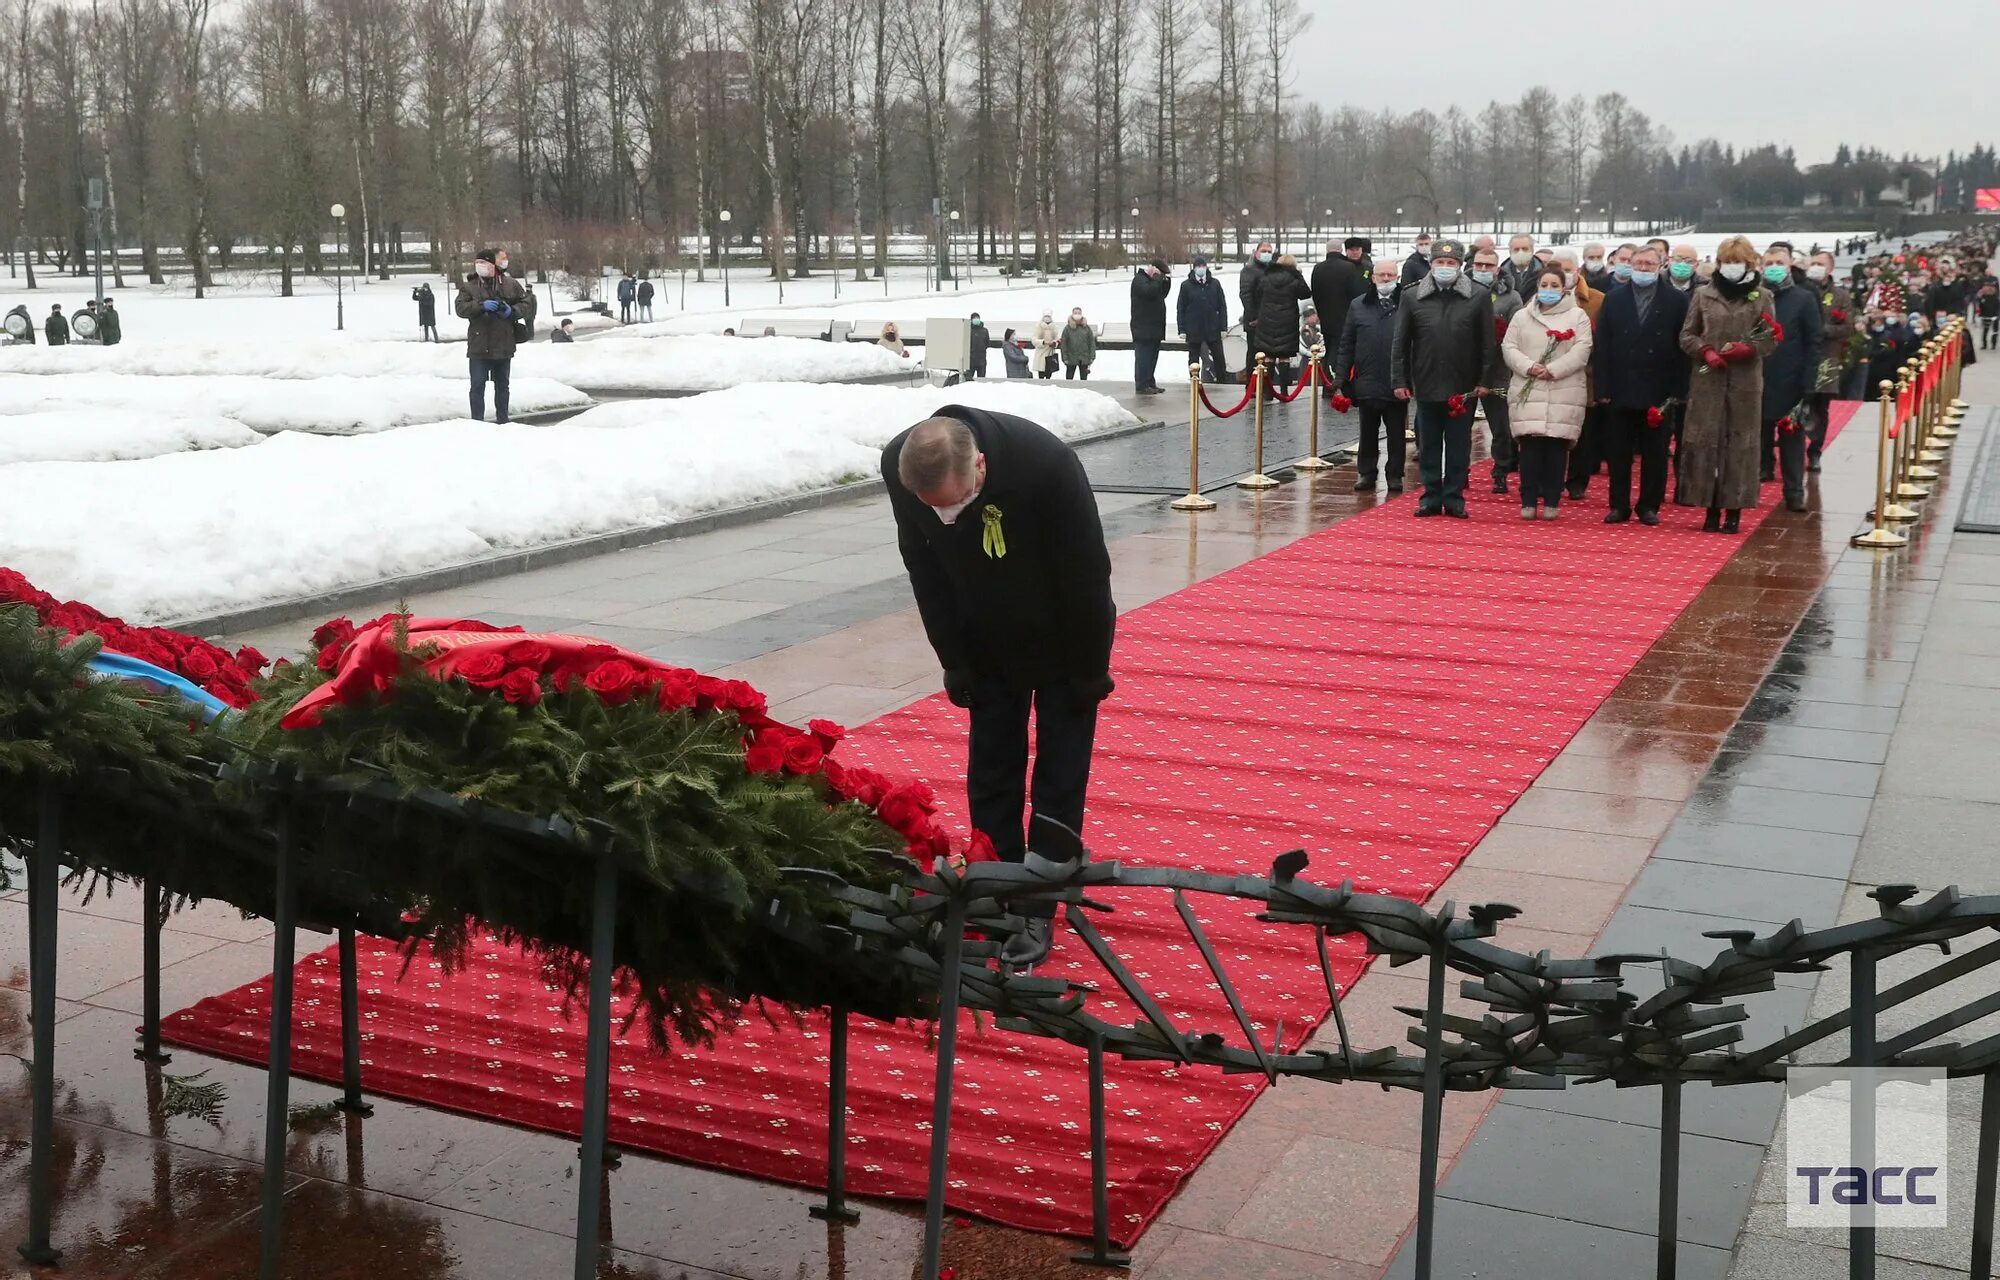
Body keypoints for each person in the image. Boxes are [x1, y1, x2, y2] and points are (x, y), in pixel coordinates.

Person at [881, 409, 1115, 973]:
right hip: (985, 632)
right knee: (991, 759)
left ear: (980, 466)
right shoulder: (901, 465)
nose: (946, 518)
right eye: (934, 508)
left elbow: (1087, 572)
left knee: (1060, 764)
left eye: (955, 504)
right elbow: (923, 566)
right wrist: (955, 658)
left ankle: (1041, 891)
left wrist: (1089, 668)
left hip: (1063, 627)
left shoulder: (1047, 466)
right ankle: (993, 876)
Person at [1678, 234, 1779, 533]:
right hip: (1708, 380)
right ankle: (1708, 506)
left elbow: (1770, 336)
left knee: (1740, 444)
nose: (1730, 266)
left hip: (1744, 381)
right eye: (1726, 262)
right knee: (1706, 441)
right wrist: (1704, 350)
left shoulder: (1761, 296)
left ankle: (1734, 508)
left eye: (1736, 262)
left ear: (1748, 263)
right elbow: (1687, 334)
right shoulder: (1703, 294)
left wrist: (1749, 349)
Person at [1391, 237, 1495, 518]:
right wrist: (1400, 380)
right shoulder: (1412, 296)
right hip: (1426, 382)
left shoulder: (1478, 295)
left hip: (1463, 386)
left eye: (1451, 263)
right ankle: (1431, 496)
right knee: (1429, 444)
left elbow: (1487, 343)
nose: (1445, 267)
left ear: (1460, 266)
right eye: (1440, 262)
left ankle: (1454, 497)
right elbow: (1400, 342)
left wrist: (1484, 380)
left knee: (1459, 446)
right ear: (1431, 264)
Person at [1592, 245, 1691, 525]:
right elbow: (1603, 347)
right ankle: (1619, 505)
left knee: (1655, 453)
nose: (1644, 269)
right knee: (1618, 453)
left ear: (1661, 265)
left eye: (1650, 264)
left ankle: (1649, 505)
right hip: (1620, 387)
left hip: (1658, 389)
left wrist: (1679, 390)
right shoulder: (1613, 299)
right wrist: (1602, 388)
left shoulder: (1675, 300)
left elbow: (1682, 348)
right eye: (1639, 264)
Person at [1502, 263, 1595, 521]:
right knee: (1530, 449)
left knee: (1556, 448)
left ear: (1564, 288)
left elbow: (1582, 350)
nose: (1549, 290)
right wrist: (1530, 366)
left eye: (1555, 285)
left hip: (1562, 389)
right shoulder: (1522, 316)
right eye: (1544, 285)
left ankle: (1553, 500)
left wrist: (1553, 369)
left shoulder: (1577, 317)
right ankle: (1528, 500)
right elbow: (1509, 347)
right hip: (1528, 387)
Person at [1756, 242, 1824, 511]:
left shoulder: (1803, 298)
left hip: (1790, 381)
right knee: (1756, 436)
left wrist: (1809, 383)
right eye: (1769, 264)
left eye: (1779, 264)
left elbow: (1813, 342)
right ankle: (1755, 480)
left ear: (1789, 265)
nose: (1774, 269)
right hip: (1756, 379)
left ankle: (1794, 491)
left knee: (1791, 440)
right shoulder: (1755, 296)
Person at [1336, 257, 1408, 493]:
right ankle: (1366, 473)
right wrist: (1341, 378)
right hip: (1366, 380)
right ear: (1373, 277)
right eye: (1381, 275)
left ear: (1397, 278)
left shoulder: (1407, 303)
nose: (1386, 279)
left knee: (1396, 432)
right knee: (1367, 432)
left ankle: (1395, 474)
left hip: (1395, 380)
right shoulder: (1358, 305)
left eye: (1390, 275)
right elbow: (1347, 343)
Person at [454, 247, 533, 423]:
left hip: (503, 344)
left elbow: (527, 304)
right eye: (477, 263)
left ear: (493, 265)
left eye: (484, 263)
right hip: (479, 346)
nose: (480, 266)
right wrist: (480, 306)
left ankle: (503, 421)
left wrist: (511, 311)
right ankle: (477, 422)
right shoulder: (469, 287)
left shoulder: (510, 284)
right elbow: (460, 308)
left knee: (502, 386)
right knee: (477, 386)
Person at [1470, 243, 1521, 492]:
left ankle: (1500, 470)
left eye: (1487, 265)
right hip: (1466, 369)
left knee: (1501, 426)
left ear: (1497, 268)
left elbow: (1517, 331)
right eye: (1478, 264)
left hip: (1498, 370)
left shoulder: (1510, 297)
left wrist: (1499, 333)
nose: (1482, 269)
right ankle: (1460, 471)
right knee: (1460, 425)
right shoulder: (1461, 290)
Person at [1805, 250, 1854, 470]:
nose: (1815, 266)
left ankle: (1815, 450)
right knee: (1799, 404)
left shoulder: (1840, 296)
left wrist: (1821, 330)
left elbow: (1848, 327)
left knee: (1820, 405)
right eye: (1813, 263)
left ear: (1830, 268)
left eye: (1820, 264)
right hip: (1802, 357)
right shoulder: (1801, 290)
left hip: (1827, 357)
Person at [1311, 237, 1370, 392]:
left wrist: (1321, 312)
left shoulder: (1317, 268)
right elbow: (1356, 293)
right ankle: (1337, 385)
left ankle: (1327, 386)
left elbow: (1315, 293)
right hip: (1344, 316)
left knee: (1330, 350)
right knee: (1341, 351)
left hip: (1326, 317)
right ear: (1342, 250)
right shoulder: (1349, 268)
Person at [1247, 252, 1311, 393]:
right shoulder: (1294, 280)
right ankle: (1283, 391)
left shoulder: (1266, 277)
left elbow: (1257, 294)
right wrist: (1299, 275)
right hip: (1287, 322)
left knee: (1268, 357)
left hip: (1267, 321)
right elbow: (1306, 293)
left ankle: (1267, 391)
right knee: (1284, 357)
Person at [1178, 254, 1230, 382]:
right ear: (1194, 268)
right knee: (1193, 358)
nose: (1201, 268)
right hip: (1194, 328)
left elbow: (1222, 307)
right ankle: (1194, 381)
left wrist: (1223, 327)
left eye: (1203, 266)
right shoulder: (1186, 285)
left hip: (1212, 327)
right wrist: (1182, 329)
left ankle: (1222, 382)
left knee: (1219, 358)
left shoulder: (1215, 284)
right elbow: (1181, 308)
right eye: (1198, 266)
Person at [1129, 258, 1170, 394]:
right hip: (1143, 328)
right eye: (1160, 274)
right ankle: (1142, 384)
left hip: (1154, 328)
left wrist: (1166, 280)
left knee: (1152, 358)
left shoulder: (1154, 282)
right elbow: (1149, 292)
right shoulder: (1140, 280)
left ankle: (1150, 382)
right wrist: (1157, 279)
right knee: (1143, 358)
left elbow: (1162, 294)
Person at [1239, 242, 1273, 359]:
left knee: (1269, 357)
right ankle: (1252, 377)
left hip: (1271, 320)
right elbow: (1245, 295)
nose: (1266, 254)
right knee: (1254, 356)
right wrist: (1255, 316)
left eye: (1269, 251)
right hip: (1255, 321)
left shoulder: (1273, 269)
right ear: (1256, 252)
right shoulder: (1249, 270)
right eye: (1263, 251)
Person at [1499, 233, 1540, 299]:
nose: (1520, 252)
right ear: (1510, 251)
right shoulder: (1500, 276)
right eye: (1516, 249)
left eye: (1525, 249)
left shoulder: (1542, 274)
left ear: (1532, 250)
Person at [1060, 308, 1097, 380]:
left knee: (1084, 380)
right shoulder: (1067, 328)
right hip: (1071, 358)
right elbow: (1063, 344)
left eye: (1079, 313)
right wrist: (1064, 357)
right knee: (1069, 380)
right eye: (1075, 313)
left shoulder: (1086, 328)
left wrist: (1092, 356)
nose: (1077, 314)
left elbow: (1091, 343)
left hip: (1084, 358)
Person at [1034, 312, 1060, 378]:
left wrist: (1054, 343)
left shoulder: (1054, 327)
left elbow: (1057, 338)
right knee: (1041, 373)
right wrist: (1044, 342)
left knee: (1049, 374)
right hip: (1041, 353)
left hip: (1050, 353)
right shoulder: (1038, 326)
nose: (1047, 318)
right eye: (1046, 316)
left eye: (1049, 316)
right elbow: (1034, 340)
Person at [1977, 278, 1999, 350]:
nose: (1989, 289)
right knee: (1985, 330)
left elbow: (1998, 307)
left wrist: (1997, 315)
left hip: (1994, 316)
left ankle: (1993, 344)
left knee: (1995, 331)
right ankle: (1984, 344)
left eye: (1991, 287)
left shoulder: (1996, 298)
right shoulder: (1983, 297)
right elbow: (1980, 306)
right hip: (1985, 316)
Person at [968, 312, 990, 379]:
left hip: (982, 359)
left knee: (982, 380)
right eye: (974, 318)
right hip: (971, 360)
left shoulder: (984, 330)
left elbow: (986, 343)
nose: (976, 319)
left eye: (978, 318)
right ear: (971, 320)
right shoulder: (968, 330)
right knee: (968, 379)